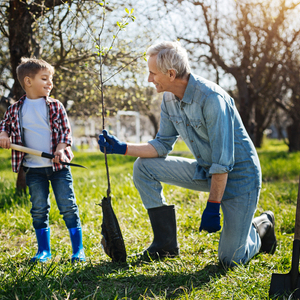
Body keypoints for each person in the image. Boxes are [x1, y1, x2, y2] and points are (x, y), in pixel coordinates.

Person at [98, 41, 276, 267]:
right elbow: (162, 145)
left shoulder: (212, 100)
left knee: (230, 260)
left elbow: (223, 163)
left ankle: (261, 225)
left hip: (240, 178)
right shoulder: (169, 99)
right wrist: (121, 147)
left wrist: (213, 205)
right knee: (143, 166)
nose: (149, 79)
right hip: (206, 170)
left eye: (153, 73)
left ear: (171, 74)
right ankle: (164, 244)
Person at [0, 57, 85, 263]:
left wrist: (61, 150)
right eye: (44, 78)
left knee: (68, 207)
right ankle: (44, 251)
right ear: (28, 81)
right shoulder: (15, 109)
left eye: (51, 79)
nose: (50, 83)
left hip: (58, 168)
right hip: (33, 170)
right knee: (38, 209)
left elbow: (65, 133)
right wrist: (3, 136)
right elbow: (5, 127)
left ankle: (78, 250)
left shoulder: (55, 106)